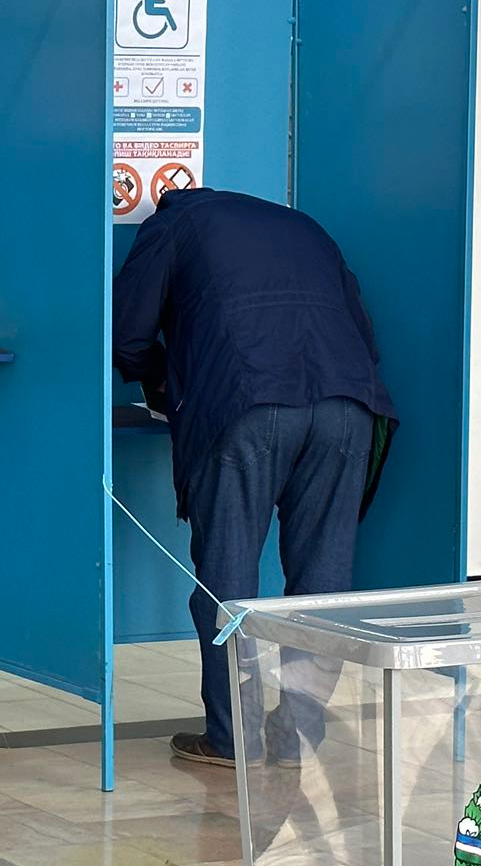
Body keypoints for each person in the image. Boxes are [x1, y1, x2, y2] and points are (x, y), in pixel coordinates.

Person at [112, 187, 395, 769]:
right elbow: (363, 335)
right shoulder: (305, 225)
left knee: (228, 585)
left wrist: (159, 384)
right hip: (349, 407)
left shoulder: (174, 223)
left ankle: (232, 738)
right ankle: (296, 736)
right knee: (321, 584)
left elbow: (128, 331)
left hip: (248, 406)